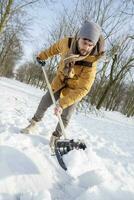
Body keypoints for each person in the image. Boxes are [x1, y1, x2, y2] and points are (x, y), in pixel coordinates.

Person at [22, 21, 105, 150]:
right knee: (45, 101)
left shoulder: (91, 62)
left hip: (74, 90)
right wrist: (42, 56)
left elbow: (84, 88)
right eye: (84, 42)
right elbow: (53, 49)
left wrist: (62, 104)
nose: (86, 48)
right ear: (78, 38)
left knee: (66, 115)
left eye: (90, 45)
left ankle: (56, 137)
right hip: (60, 81)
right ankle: (33, 123)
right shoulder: (66, 43)